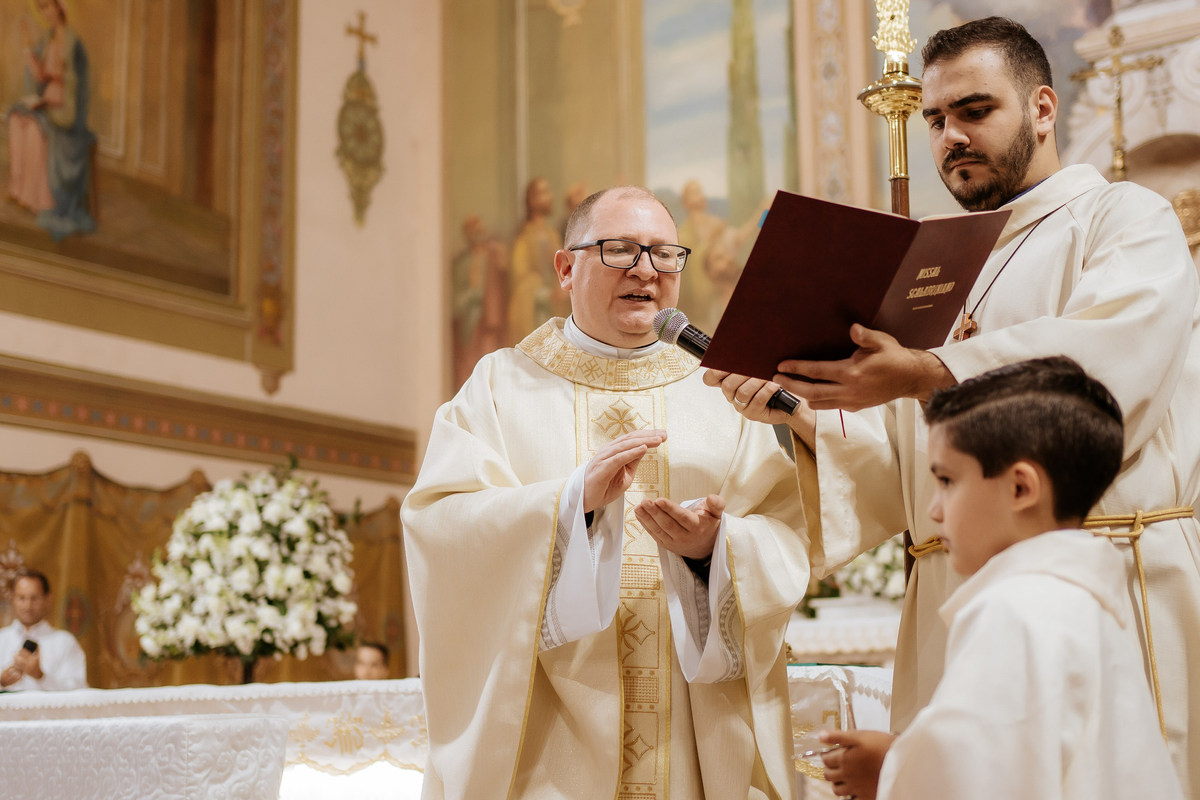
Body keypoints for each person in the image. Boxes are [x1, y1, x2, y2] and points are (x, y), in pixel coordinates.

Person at [707, 16, 1200, 798]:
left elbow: (1103, 373)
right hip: (954, 593)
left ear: (1042, 109)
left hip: (1103, 578)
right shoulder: (943, 267)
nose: (948, 138)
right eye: (935, 119)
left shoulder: (1123, 218)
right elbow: (909, 468)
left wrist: (931, 367)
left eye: (974, 111)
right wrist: (802, 412)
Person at [401, 186, 809, 799]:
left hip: (692, 738)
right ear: (566, 268)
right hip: (549, 741)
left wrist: (713, 550)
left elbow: (784, 530)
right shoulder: (501, 385)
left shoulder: (720, 391)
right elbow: (442, 525)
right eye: (620, 251)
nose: (646, 270)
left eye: (664, 255)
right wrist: (569, 507)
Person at [821, 357, 1183, 800]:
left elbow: (983, 776)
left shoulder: (1016, 609)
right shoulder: (1081, 599)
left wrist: (887, 770)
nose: (933, 512)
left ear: (1020, 488)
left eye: (948, 481)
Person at [5, 0, 97, 241]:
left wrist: (56, 93)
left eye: (48, 6)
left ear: (60, 8)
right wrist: (28, 48)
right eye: (41, 8)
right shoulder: (47, 40)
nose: (45, 12)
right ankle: (19, 192)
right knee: (16, 119)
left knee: (35, 129)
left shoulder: (72, 42)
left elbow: (76, 85)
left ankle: (38, 199)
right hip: (46, 104)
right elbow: (41, 76)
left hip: (65, 111)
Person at [0, 569, 87, 691]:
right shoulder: (2, 639)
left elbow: (78, 692)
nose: (28, 606)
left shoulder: (65, 642)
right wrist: (1, 682)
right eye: (21, 598)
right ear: (12, 598)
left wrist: (40, 676)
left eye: (34, 598)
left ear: (48, 599)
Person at [507, 177, 567, 343]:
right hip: (533, 311)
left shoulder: (552, 234)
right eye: (543, 193)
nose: (549, 197)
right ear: (531, 200)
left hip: (552, 311)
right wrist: (546, 294)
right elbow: (521, 277)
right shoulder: (524, 237)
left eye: (548, 192)